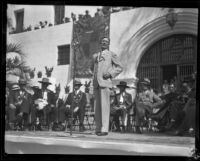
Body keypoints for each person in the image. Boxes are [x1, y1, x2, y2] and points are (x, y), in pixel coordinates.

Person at [92, 37, 123, 136]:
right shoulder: (96, 55)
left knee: (105, 107)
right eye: (102, 41)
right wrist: (93, 77)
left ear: (108, 44)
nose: (104, 43)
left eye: (106, 42)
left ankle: (104, 129)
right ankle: (98, 128)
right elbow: (91, 68)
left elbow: (120, 67)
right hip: (96, 83)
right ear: (100, 43)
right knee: (97, 107)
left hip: (105, 83)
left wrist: (110, 74)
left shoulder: (111, 54)